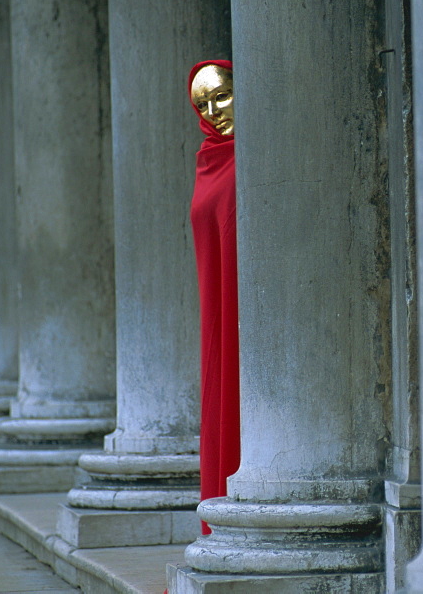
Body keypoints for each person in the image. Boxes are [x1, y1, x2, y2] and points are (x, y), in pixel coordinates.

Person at [188, 60, 239, 535]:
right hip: (217, 308)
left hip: (249, 305)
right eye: (202, 104)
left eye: (221, 94)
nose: (214, 109)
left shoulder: (253, 156)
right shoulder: (209, 157)